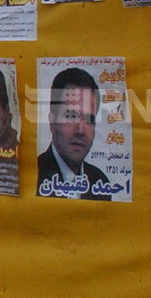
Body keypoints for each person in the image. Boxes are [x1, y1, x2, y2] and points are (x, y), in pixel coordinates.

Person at [37, 67, 111, 199]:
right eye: (71, 116)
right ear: (52, 122)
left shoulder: (100, 181)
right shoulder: (35, 175)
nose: (81, 131)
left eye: (89, 119)